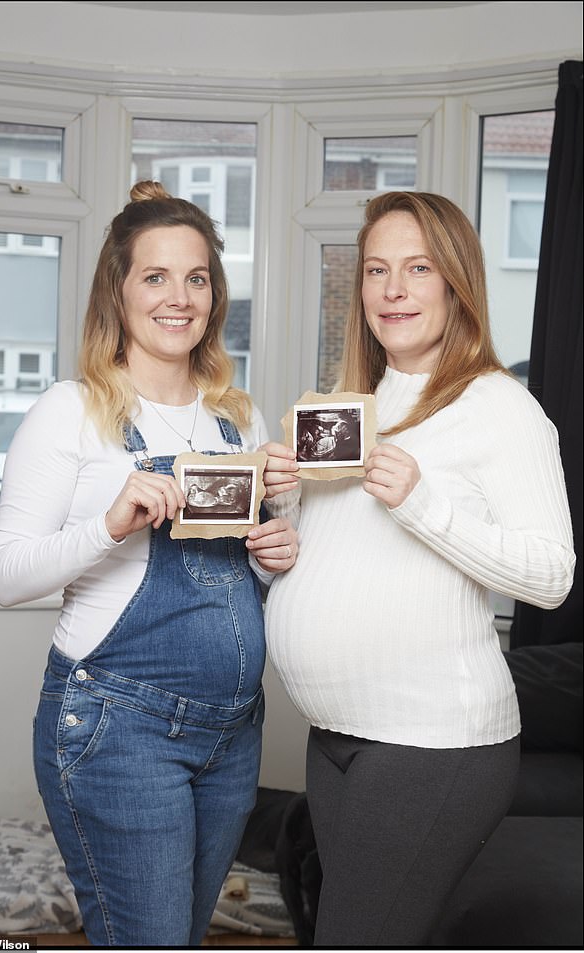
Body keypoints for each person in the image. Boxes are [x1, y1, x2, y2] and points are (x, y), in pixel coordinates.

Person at [0, 180, 298, 947]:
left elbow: (241, 578)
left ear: (215, 295)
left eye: (196, 278)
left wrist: (275, 551)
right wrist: (109, 525)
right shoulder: (73, 408)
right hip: (118, 729)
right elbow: (6, 574)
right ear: (118, 292)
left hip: (232, 733)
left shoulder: (237, 416)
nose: (179, 298)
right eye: (155, 276)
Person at [261, 191, 575, 947]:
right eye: (376, 269)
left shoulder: (499, 407)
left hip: (434, 742)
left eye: (417, 268)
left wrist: (424, 503)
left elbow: (551, 574)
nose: (392, 290)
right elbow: (341, 558)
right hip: (335, 736)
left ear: (456, 282)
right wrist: (283, 525)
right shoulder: (349, 404)